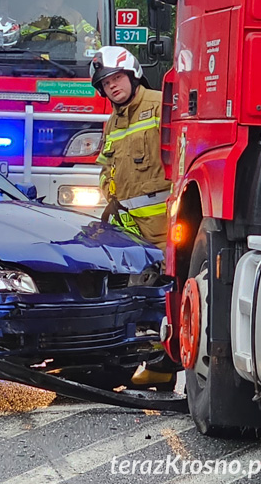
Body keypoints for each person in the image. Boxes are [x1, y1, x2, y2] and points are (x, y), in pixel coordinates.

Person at [92, 46, 177, 389]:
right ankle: (144, 363)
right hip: (129, 230)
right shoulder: (112, 122)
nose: (112, 86)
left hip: (164, 229)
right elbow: (107, 169)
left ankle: (162, 367)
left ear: (133, 75)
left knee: (161, 297)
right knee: (132, 300)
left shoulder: (160, 105)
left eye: (116, 78)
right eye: (106, 83)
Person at [20, 0, 100, 49]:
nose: (51, 1)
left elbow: (91, 33)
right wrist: (40, 24)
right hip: (34, 60)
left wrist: (90, 39)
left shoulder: (73, 15)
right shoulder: (31, 15)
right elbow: (20, 39)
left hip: (67, 61)